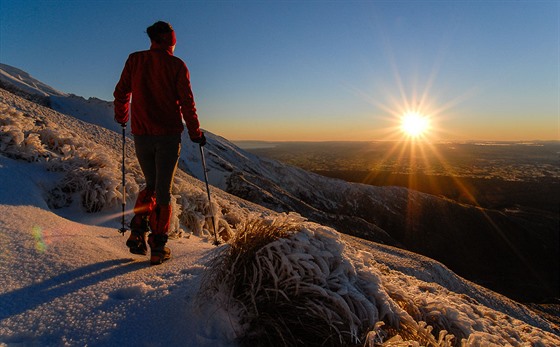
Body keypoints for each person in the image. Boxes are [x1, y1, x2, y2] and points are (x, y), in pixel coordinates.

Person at [114, 21, 206, 265]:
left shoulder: (135, 60)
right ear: (170, 40)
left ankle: (137, 231)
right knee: (163, 189)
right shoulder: (176, 65)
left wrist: (122, 117)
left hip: (141, 134)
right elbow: (187, 102)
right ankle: (158, 245)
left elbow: (121, 92)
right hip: (167, 135)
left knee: (151, 184)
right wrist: (195, 133)